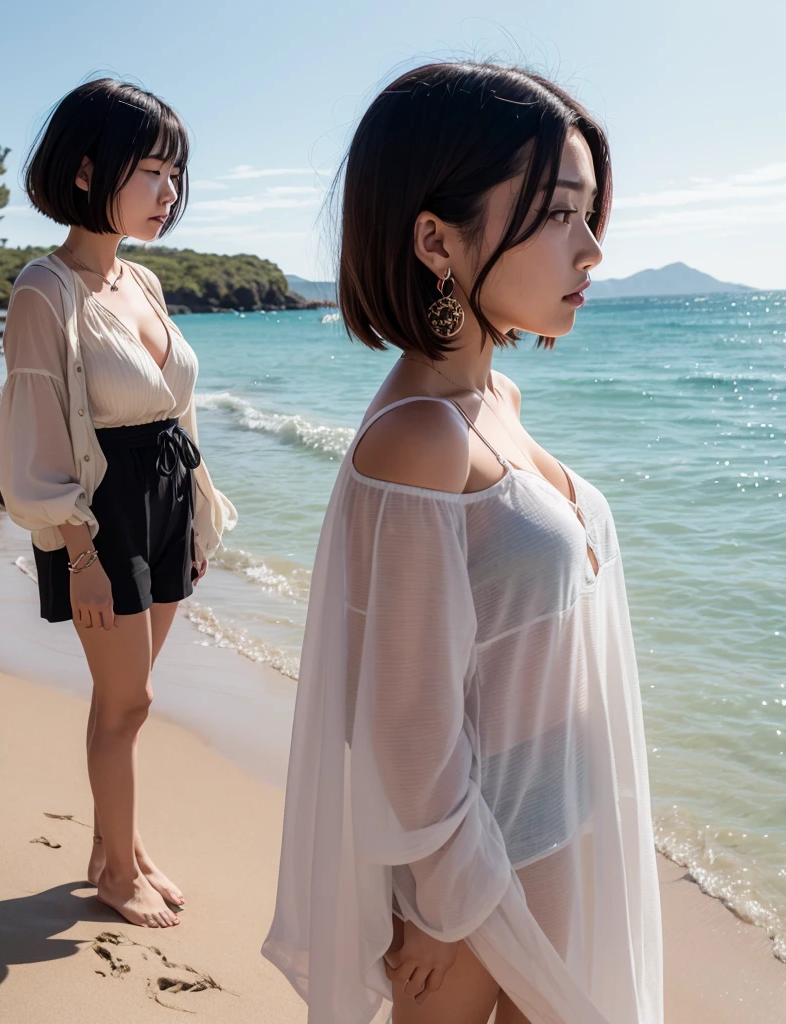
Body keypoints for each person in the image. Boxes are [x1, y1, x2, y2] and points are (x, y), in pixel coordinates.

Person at [263, 62, 663, 1023]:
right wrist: (456, 912)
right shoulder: (418, 442)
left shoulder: (493, 403)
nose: (593, 249)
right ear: (437, 240)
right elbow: (405, 736)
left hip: (555, 826)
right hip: (478, 883)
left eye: (590, 212)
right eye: (561, 212)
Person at [0, 79, 236, 929]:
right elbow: (31, 445)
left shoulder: (142, 284)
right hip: (103, 515)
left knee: (125, 700)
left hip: (167, 501)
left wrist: (198, 519)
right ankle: (115, 872)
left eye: (178, 176)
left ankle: (117, 847)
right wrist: (81, 554)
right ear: (91, 167)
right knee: (128, 701)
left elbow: (177, 413)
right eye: (154, 173)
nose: (170, 194)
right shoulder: (43, 291)